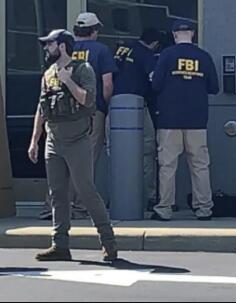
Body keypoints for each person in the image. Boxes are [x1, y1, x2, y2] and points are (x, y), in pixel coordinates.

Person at [27, 29, 118, 262]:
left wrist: (68, 81)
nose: (46, 49)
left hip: (77, 140)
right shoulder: (48, 73)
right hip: (53, 141)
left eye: (50, 44)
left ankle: (108, 242)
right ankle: (60, 245)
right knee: (57, 194)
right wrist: (35, 140)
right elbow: (41, 108)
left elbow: (88, 100)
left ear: (63, 46)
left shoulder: (82, 69)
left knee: (86, 191)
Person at [150, 19, 220, 221]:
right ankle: (204, 208)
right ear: (193, 34)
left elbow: (155, 85)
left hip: (169, 119)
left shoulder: (166, 55)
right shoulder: (204, 57)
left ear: (174, 35)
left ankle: (164, 208)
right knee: (200, 165)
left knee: (167, 165)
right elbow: (214, 87)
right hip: (197, 119)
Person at [70, 12, 119, 217]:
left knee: (64, 158)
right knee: (87, 158)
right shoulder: (101, 50)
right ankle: (81, 205)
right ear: (94, 31)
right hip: (92, 110)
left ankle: (56, 204)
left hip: (66, 112)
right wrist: (106, 106)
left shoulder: (66, 48)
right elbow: (107, 84)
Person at [112, 28, 161, 209]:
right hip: (137, 106)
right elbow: (154, 79)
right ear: (155, 44)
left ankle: (117, 195)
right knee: (147, 150)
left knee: (117, 153)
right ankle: (149, 196)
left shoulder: (122, 50)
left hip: (114, 107)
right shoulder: (147, 54)